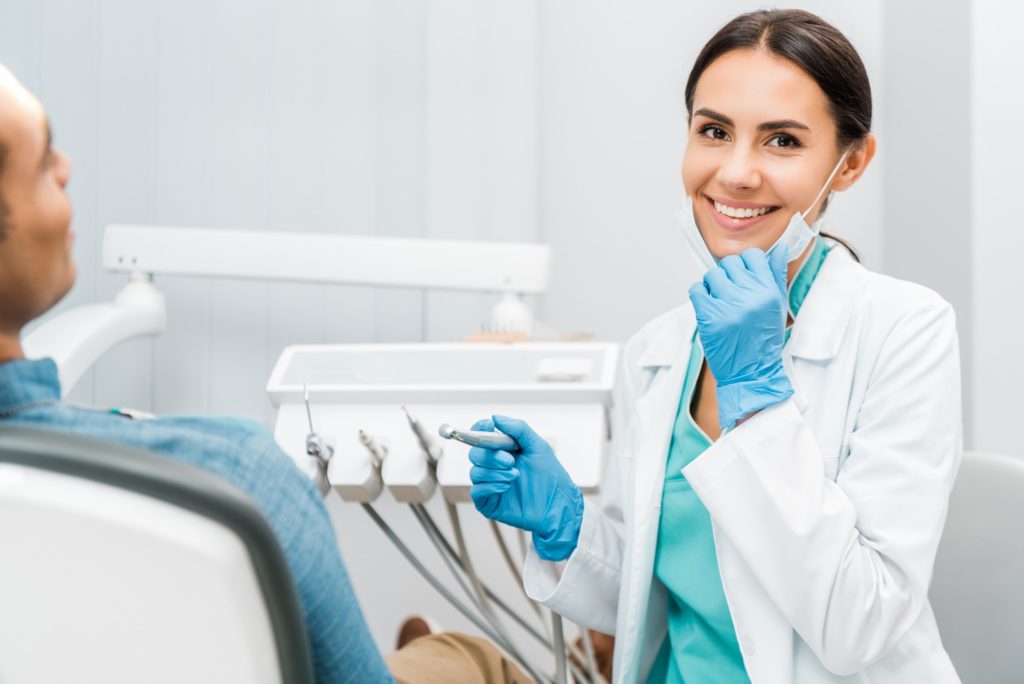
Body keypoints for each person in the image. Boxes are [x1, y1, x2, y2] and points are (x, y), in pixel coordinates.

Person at [468, 9, 962, 684]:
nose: (734, 173)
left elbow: (860, 625)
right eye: (713, 131)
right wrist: (568, 529)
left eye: (782, 141)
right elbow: (651, 598)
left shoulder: (905, 331)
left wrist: (756, 398)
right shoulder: (657, 352)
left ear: (850, 163)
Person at [0, 63, 532, 684]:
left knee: (430, 655)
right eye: (41, 164)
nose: (65, 167)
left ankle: (430, 649)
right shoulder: (239, 478)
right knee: (480, 661)